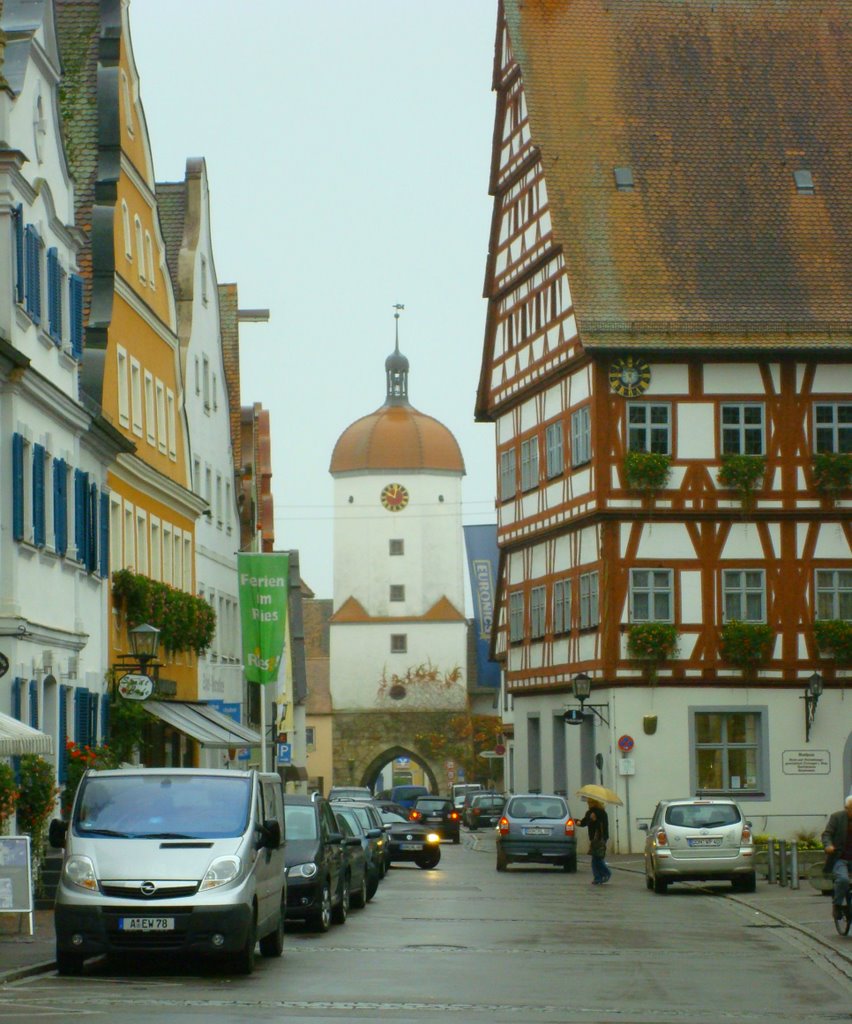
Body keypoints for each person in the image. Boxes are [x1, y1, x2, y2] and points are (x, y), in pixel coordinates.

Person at [822, 794, 852, 920]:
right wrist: (829, 846)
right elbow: (827, 835)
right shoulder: (837, 818)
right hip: (840, 858)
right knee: (843, 880)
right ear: (846, 808)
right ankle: (837, 905)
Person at [578, 798, 611, 885]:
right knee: (596, 858)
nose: (588, 804)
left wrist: (595, 819)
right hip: (593, 838)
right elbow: (585, 822)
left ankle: (604, 874)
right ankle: (599, 877)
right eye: (588, 802)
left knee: (597, 858)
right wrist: (578, 822)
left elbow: (603, 826)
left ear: (595, 803)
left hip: (601, 837)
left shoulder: (601, 813)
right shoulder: (589, 813)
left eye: (590, 802)